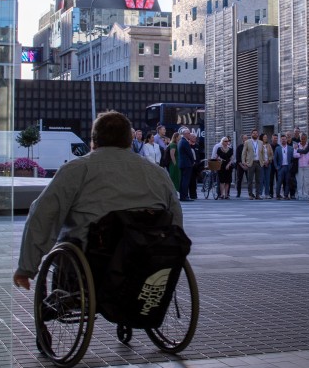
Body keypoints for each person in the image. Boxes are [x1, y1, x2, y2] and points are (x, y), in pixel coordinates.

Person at [13, 110, 181, 290]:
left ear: (94, 140)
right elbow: (175, 215)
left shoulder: (76, 169)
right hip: (146, 259)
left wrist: (27, 267)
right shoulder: (156, 173)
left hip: (94, 261)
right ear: (128, 140)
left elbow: (42, 213)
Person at [241, 129, 264, 199]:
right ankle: (250, 194)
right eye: (254, 133)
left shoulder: (260, 142)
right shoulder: (247, 142)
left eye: (256, 133)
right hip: (251, 163)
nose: (255, 134)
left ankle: (258, 194)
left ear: (258, 135)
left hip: (258, 162)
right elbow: (244, 153)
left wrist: (263, 161)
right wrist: (243, 162)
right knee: (250, 180)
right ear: (251, 134)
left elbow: (263, 153)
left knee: (258, 180)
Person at [176, 128, 197, 202]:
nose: (189, 134)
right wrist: (192, 161)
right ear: (184, 134)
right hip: (187, 164)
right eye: (188, 133)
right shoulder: (185, 142)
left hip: (182, 163)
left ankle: (183, 196)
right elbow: (189, 153)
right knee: (185, 180)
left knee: (183, 180)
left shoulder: (180, 141)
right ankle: (184, 196)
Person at [211, 136, 234, 200]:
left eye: (228, 141)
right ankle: (222, 194)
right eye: (225, 141)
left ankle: (226, 194)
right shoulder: (219, 149)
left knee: (227, 181)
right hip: (221, 165)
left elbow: (232, 158)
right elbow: (216, 157)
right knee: (221, 181)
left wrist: (228, 164)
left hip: (228, 165)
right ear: (222, 142)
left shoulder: (230, 149)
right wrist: (218, 159)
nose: (227, 142)